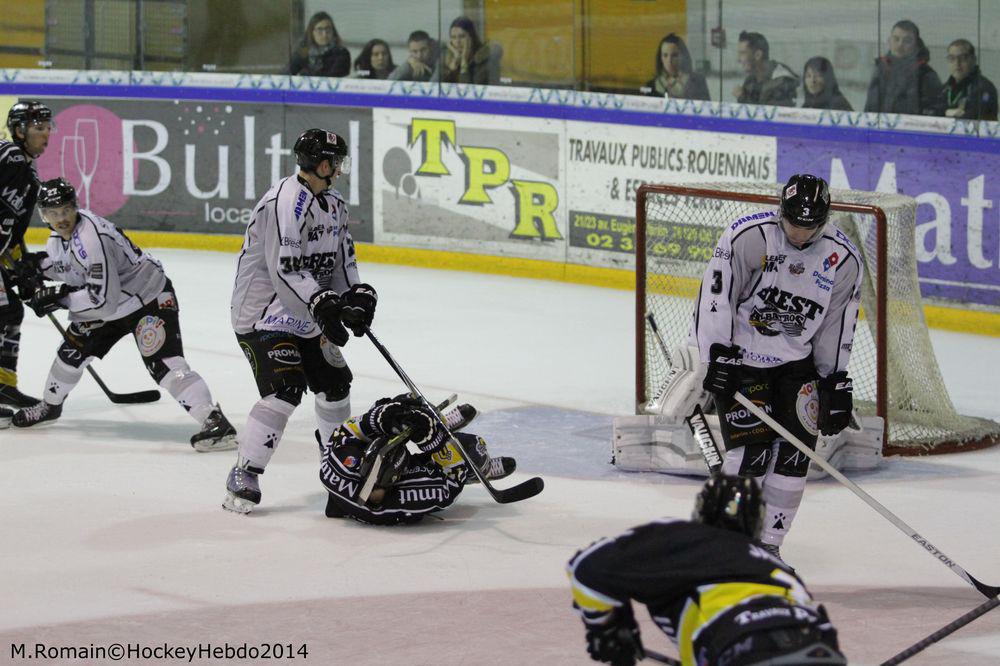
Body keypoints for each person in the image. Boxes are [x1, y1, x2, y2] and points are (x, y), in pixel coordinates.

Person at [691, 174, 862, 559]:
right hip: (742, 361)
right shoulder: (749, 236)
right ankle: (726, 547)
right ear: (780, 211)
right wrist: (717, 355)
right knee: (750, 455)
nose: (799, 234)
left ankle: (769, 548)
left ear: (824, 221)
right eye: (793, 223)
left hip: (796, 365)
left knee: (795, 455)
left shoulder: (843, 259)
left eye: (809, 226)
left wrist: (833, 378)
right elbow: (716, 297)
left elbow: (837, 323)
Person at [12, 178, 237, 452]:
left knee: (163, 364)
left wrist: (59, 299)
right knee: (70, 353)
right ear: (43, 215)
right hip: (112, 301)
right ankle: (50, 406)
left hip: (147, 298)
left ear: (75, 207)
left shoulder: (92, 239)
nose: (61, 218)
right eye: (53, 213)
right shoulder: (58, 239)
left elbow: (102, 301)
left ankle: (214, 421)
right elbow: (72, 267)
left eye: (66, 210)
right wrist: (38, 267)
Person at [224, 128, 377, 514]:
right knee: (286, 389)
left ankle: (337, 470)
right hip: (265, 314)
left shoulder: (335, 204)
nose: (340, 169)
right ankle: (245, 472)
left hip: (306, 311)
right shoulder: (286, 201)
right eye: (336, 162)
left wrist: (354, 296)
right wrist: (322, 302)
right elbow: (286, 269)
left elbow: (342, 262)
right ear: (322, 165)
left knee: (335, 386)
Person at [567, 475, 846, 665]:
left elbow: (586, 569)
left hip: (740, 646)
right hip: (818, 646)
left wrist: (607, 629)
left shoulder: (677, 538)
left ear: (700, 513)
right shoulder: (774, 567)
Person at [321, 396, 516, 525]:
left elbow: (344, 431)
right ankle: (480, 470)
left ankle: (434, 421)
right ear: (399, 476)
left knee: (397, 405)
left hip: (348, 493)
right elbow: (452, 480)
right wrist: (432, 441)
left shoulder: (339, 463)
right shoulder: (412, 495)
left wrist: (382, 417)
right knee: (471, 450)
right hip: (433, 481)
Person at [0, 100, 53, 414]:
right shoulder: (12, 159)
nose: (46, 134)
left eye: (48, 127)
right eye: (38, 127)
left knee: (9, 312)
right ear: (20, 131)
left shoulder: (26, 172)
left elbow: (9, 232)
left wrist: (21, 266)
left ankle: (3, 385)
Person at [864, 19, 942, 115]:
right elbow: (869, 107)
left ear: (916, 44)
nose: (900, 45)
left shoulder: (926, 75)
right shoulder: (880, 69)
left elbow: (933, 113)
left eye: (907, 41)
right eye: (896, 39)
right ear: (889, 41)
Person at [934, 39, 998, 121]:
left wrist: (945, 113)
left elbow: (974, 117)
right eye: (952, 58)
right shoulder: (945, 89)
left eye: (963, 58)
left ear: (974, 60)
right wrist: (947, 112)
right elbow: (933, 112)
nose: (957, 63)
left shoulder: (984, 88)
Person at [733, 31, 797, 107]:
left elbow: (772, 112)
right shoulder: (750, 80)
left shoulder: (782, 80)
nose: (738, 59)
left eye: (743, 53)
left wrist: (742, 98)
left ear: (757, 55)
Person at [436, 16, 501, 85]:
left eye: (462, 36)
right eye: (453, 37)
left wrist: (464, 62)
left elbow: (468, 90)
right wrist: (451, 69)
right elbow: (435, 86)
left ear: (471, 37)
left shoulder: (484, 60)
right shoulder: (446, 57)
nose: (457, 41)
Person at [644, 33, 710, 101]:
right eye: (665, 55)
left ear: (683, 56)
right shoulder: (651, 85)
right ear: (660, 58)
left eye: (674, 55)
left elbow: (706, 105)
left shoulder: (698, 82)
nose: (669, 61)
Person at [287, 11, 350, 78]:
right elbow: (286, 73)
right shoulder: (303, 52)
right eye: (319, 30)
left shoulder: (341, 53)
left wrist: (304, 73)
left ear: (333, 31)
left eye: (328, 29)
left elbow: (331, 77)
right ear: (312, 32)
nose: (324, 34)